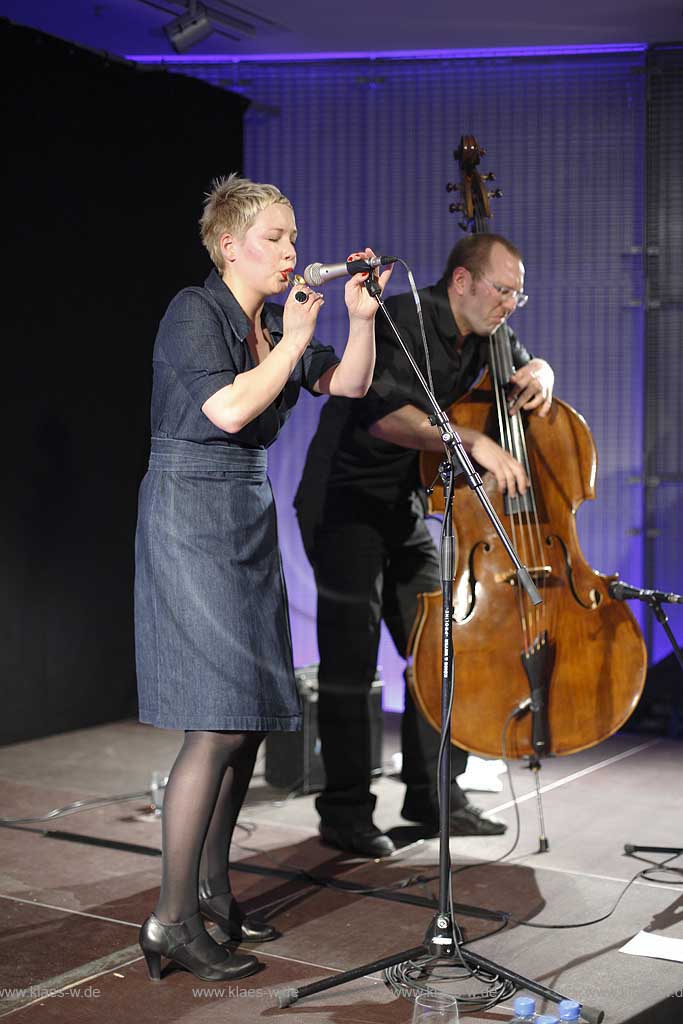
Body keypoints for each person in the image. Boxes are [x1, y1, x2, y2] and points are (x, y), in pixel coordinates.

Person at [134, 174, 392, 982]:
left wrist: (358, 320)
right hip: (190, 513)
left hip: (242, 511)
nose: (289, 251)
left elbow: (346, 383)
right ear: (228, 246)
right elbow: (228, 412)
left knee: (244, 718)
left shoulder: (267, 323)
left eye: (291, 236)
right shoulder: (195, 311)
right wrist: (288, 339)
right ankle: (170, 919)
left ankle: (212, 890)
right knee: (213, 725)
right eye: (274, 238)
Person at [295, 233, 555, 858]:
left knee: (447, 648)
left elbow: (526, 365)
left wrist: (542, 369)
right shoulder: (405, 315)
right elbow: (380, 415)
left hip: (406, 507)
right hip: (346, 502)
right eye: (503, 290)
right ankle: (346, 812)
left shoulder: (491, 333)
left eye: (520, 294)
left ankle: (434, 795)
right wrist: (471, 441)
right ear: (463, 282)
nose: (511, 305)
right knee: (352, 664)